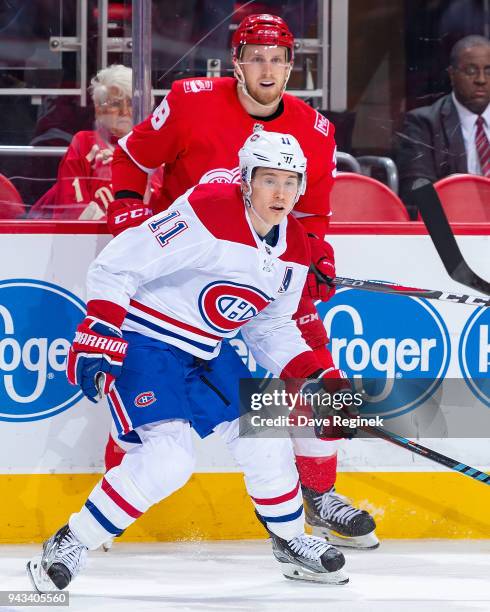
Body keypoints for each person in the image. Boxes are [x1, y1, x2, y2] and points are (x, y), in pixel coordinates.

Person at [26, 132, 351, 592]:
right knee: (169, 459)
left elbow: (271, 328)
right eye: (269, 180)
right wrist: (100, 326)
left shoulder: (295, 247)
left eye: (290, 181)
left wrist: (321, 380)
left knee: (266, 433)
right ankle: (71, 541)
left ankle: (291, 540)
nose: (280, 193)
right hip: (146, 342)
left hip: (207, 351)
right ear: (245, 181)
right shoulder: (208, 214)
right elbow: (116, 264)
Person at [104, 13, 379, 550]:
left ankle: (319, 495)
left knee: (312, 359)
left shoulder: (315, 131)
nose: (267, 68)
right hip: (182, 283)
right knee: (136, 373)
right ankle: (117, 491)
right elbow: (131, 159)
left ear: (292, 66)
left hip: (262, 274)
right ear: (235, 62)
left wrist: (315, 254)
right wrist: (129, 210)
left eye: (277, 59)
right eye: (256, 56)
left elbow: (312, 217)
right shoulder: (190, 101)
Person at [28, 65, 162, 220]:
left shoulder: (160, 150)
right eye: (116, 104)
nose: (125, 111)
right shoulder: (84, 143)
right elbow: (72, 211)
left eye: (131, 103)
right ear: (98, 108)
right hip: (95, 241)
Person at [395, 35, 490, 217]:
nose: (481, 79)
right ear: (452, 75)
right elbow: (418, 193)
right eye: (471, 71)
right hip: (454, 227)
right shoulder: (423, 123)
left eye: (488, 71)